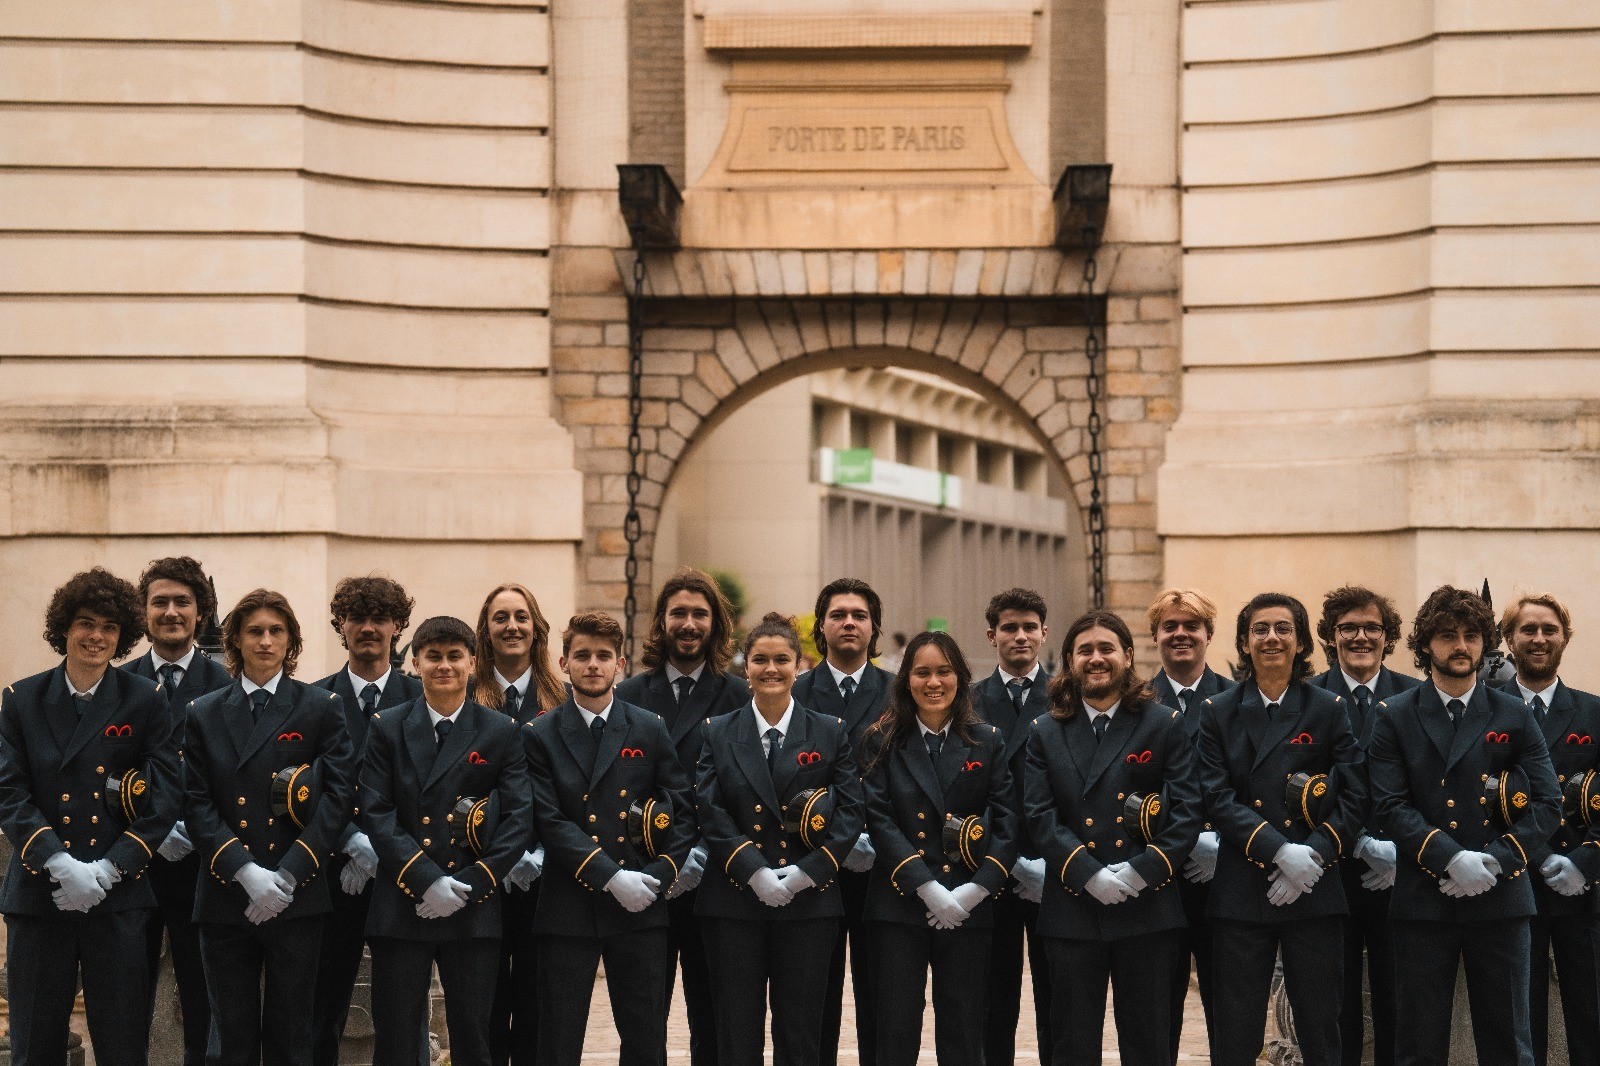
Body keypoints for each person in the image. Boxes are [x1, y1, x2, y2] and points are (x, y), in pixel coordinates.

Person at [1366, 585, 1561, 1066]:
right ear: (1424, 644)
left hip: (1502, 896)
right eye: (1447, 635)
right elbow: (1390, 805)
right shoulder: (1396, 715)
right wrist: (1449, 858)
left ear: (1486, 643)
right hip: (1423, 899)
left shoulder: (1513, 713)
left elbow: (1548, 801)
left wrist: (1494, 861)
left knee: (1510, 1044)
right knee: (1417, 1043)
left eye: (1472, 636)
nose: (1461, 646)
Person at [0, 568, 180, 1066]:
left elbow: (165, 795)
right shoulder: (22, 699)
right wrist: (58, 862)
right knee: (35, 1045)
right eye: (84, 623)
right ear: (64, 628)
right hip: (40, 892)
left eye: (109, 627)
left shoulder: (144, 699)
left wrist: (109, 867)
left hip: (116, 894)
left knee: (123, 1045)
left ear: (122, 635)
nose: (96, 637)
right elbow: (9, 792)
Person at [184, 588, 357, 1066]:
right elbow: (196, 802)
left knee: (292, 1035)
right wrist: (245, 872)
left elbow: (338, 797)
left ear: (290, 641)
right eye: (254, 631)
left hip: (297, 894)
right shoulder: (204, 712)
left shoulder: (320, 706)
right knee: (230, 1039)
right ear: (235, 640)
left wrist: (287, 874)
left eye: (275, 631)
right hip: (225, 892)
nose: (265, 640)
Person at [1026, 610, 1202, 1066]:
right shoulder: (1046, 731)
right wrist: (1088, 874)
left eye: (1107, 649)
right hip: (1072, 905)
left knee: (1149, 1045)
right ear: (1069, 660)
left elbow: (1185, 813)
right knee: (1072, 1046)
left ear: (1127, 656)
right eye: (1085, 650)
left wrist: (1141, 872)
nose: (1096, 658)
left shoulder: (1163, 723)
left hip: (1147, 906)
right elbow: (1040, 816)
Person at [1198, 592, 1365, 1066]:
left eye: (1283, 629)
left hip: (1315, 885)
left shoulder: (1329, 708)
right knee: (1235, 1029)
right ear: (1245, 642)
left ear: (1301, 641)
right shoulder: (1218, 711)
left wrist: (1308, 858)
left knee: (1321, 1027)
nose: (1271, 638)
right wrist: (1277, 852)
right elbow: (1216, 797)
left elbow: (1355, 794)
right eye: (1259, 629)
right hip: (1243, 888)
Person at [360, 614, 535, 1066]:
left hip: (472, 908)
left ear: (473, 662)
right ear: (414, 662)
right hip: (402, 904)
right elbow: (376, 812)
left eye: (455, 656)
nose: (444, 666)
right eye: (433, 656)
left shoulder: (501, 731)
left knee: (475, 1040)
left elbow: (517, 818)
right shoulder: (387, 726)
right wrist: (426, 881)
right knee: (396, 1039)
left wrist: (469, 885)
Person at [525, 611, 696, 1066]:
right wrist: (609, 876)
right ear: (564, 663)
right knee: (558, 1040)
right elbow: (549, 818)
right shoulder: (540, 734)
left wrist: (658, 877)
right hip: (568, 904)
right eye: (582, 656)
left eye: (604, 656)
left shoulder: (648, 727)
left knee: (645, 1039)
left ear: (620, 664)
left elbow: (679, 809)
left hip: (640, 902)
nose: (593, 665)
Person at [696, 613, 866, 1066]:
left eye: (782, 660)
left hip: (808, 902)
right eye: (760, 660)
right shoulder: (718, 730)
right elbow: (709, 809)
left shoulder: (829, 730)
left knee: (801, 1028)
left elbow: (850, 811)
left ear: (801, 665)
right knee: (736, 1028)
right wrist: (753, 871)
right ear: (744, 667)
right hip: (732, 900)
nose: (771, 669)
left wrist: (806, 874)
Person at [615, 567, 751, 1066]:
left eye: (700, 613)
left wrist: (702, 851)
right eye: (679, 613)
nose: (689, 623)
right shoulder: (627, 695)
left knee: (713, 1013)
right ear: (662, 622)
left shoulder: (740, 695)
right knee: (642, 1015)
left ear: (715, 623)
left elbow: (743, 788)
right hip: (644, 874)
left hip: (715, 878)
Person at [862, 630, 1018, 1066]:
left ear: (961, 678)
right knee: (894, 1029)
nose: (934, 682)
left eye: (944, 671)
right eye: (923, 672)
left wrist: (975, 890)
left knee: (965, 1028)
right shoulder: (883, 738)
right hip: (898, 903)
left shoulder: (986, 740)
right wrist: (925, 886)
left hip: (968, 902)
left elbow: (1007, 822)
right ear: (906, 679)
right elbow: (879, 818)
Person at [123, 555, 233, 1066]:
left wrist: (192, 825)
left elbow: (234, 775)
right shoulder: (118, 685)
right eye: (159, 602)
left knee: (204, 1001)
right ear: (144, 613)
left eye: (182, 602)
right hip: (130, 867)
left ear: (200, 613)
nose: (171, 611)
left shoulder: (227, 686)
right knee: (124, 1001)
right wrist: (151, 828)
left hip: (204, 866)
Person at [309, 575, 422, 1066]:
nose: (369, 628)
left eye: (380, 618)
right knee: (322, 1009)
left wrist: (387, 848)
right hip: (334, 877)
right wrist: (351, 841)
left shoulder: (422, 697)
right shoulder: (312, 700)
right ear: (341, 624)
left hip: (405, 874)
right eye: (358, 618)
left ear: (398, 626)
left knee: (404, 1015)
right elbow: (307, 787)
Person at [1312, 586, 1421, 1066]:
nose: (1360, 637)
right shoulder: (1310, 699)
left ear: (1388, 636)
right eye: (1348, 628)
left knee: (1399, 999)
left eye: (1371, 628)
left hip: (1402, 871)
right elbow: (1300, 783)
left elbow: (1427, 783)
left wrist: (1403, 850)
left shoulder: (1415, 697)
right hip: (1330, 869)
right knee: (1335, 1005)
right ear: (1330, 638)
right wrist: (1356, 843)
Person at [790, 578, 893, 1066]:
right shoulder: (794, 693)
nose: (849, 622)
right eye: (838, 614)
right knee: (813, 997)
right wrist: (834, 836)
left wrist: (871, 832)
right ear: (821, 626)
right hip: (814, 863)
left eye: (859, 615)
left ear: (874, 628)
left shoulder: (900, 691)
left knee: (883, 997)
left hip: (885, 867)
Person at [1496, 592, 1600, 1066]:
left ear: (1564, 639)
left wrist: (1584, 861)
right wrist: (1534, 855)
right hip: (1514, 885)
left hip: (1585, 890)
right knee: (1520, 1021)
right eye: (1528, 630)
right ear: (1508, 640)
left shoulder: (1594, 712)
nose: (1539, 639)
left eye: (1549, 630)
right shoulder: (1487, 713)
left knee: (1592, 1017)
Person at [472, 582, 568, 1066]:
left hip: (547, 871)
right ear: (485, 631)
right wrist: (499, 855)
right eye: (501, 618)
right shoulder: (464, 695)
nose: (512, 626)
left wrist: (541, 851)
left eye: (521, 617)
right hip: (479, 869)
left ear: (537, 628)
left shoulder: (565, 698)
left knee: (537, 999)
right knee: (483, 999)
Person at [1144, 587, 1234, 1061]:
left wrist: (1220, 838)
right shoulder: (1135, 703)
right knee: (1158, 1002)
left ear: (1208, 634)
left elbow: (1246, 780)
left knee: (1229, 1002)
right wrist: (1176, 844)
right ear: (1155, 635)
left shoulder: (1237, 700)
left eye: (1191, 626)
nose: (1180, 634)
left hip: (1226, 876)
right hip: (1159, 877)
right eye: (1170, 626)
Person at [969, 587, 1055, 1066]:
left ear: (1044, 633)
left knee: (1058, 997)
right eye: (1009, 628)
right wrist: (1001, 855)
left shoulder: (1068, 695)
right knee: (991, 999)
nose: (1019, 636)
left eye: (1029, 627)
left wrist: (1048, 855)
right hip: (989, 867)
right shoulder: (968, 700)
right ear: (991, 635)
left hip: (1055, 867)